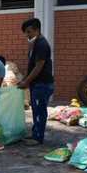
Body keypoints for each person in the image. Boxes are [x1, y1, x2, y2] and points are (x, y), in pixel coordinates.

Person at [18, 18, 55, 146]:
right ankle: (35, 133)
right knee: (36, 109)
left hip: (42, 84)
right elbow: (31, 65)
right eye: (26, 33)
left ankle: (38, 138)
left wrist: (26, 82)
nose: (27, 35)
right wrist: (24, 80)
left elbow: (39, 66)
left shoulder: (42, 44)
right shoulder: (35, 44)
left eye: (29, 32)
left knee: (40, 110)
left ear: (37, 30)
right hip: (37, 84)